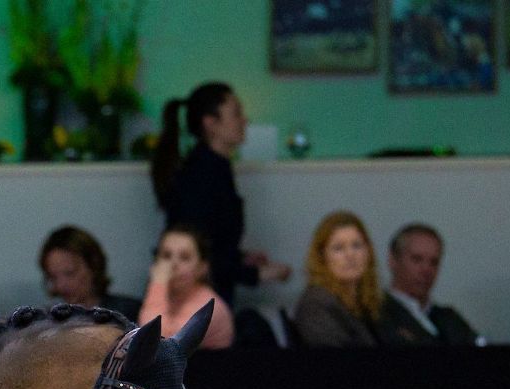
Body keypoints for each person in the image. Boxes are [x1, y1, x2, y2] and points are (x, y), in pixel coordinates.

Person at [150, 80, 291, 307]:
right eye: (236, 114)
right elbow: (194, 251)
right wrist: (257, 274)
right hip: (195, 307)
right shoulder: (201, 176)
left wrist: (240, 258)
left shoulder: (214, 169)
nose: (245, 121)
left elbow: (211, 239)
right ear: (211, 124)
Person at [378, 223, 480, 347]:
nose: (426, 270)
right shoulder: (377, 316)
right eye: (417, 259)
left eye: (434, 262)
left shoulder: (450, 319)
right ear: (393, 260)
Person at [291, 211, 381, 348]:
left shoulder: (366, 301)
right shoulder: (316, 304)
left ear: (368, 251)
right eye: (338, 248)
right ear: (322, 257)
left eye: (357, 245)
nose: (350, 255)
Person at [139, 225, 235, 349]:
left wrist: (158, 283)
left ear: (202, 267)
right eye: (166, 256)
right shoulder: (166, 296)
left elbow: (158, 344)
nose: (173, 264)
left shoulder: (209, 306)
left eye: (185, 257)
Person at [38, 225, 140, 321]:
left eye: (69, 273)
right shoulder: (48, 321)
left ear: (93, 266)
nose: (60, 286)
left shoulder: (130, 313)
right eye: (53, 277)